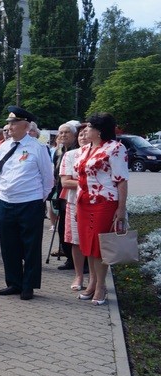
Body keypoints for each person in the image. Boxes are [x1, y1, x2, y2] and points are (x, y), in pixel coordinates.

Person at [0, 106, 54, 300]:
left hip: (30, 203)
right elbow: (0, 173)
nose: (9, 126)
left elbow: (48, 179)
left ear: (26, 126)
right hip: (6, 202)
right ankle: (14, 282)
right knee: (8, 245)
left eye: (13, 123)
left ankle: (28, 285)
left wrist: (38, 198)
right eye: (9, 123)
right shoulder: (3, 146)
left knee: (30, 246)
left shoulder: (38, 147)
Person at [75, 113, 129, 306]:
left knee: (100, 246)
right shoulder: (84, 149)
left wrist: (121, 209)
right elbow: (81, 179)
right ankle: (92, 282)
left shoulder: (115, 148)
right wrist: (76, 205)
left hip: (104, 203)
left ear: (99, 130)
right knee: (88, 246)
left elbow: (121, 180)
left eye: (89, 127)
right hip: (84, 202)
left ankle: (100, 286)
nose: (85, 130)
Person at [59, 125, 90, 291]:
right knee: (76, 241)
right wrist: (91, 184)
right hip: (74, 203)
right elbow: (66, 182)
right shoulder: (70, 155)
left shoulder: (102, 154)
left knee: (96, 242)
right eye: (80, 134)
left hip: (97, 203)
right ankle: (78, 275)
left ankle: (95, 279)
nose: (83, 136)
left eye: (86, 133)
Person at [51, 122, 80, 270]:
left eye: (66, 132)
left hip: (74, 195)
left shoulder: (77, 152)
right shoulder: (60, 151)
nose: (63, 135)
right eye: (61, 132)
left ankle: (80, 262)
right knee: (63, 229)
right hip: (61, 195)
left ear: (74, 135)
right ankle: (70, 258)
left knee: (73, 230)